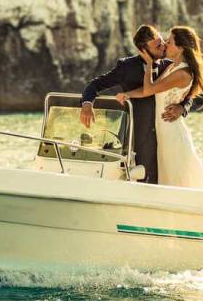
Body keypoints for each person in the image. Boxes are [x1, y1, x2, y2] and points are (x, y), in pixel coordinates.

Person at [115, 25, 203, 189]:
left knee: (178, 179)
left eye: (169, 41)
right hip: (163, 130)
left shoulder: (182, 73)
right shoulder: (172, 66)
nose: (165, 44)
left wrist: (148, 64)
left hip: (170, 132)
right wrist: (128, 94)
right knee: (168, 178)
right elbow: (153, 90)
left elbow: (149, 89)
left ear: (180, 48)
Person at [80, 24, 192, 184]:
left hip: (165, 134)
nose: (163, 47)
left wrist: (183, 108)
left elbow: (188, 92)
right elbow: (95, 85)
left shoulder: (169, 66)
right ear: (143, 49)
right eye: (157, 45)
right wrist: (87, 104)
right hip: (136, 135)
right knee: (138, 179)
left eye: (162, 42)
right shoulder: (127, 67)